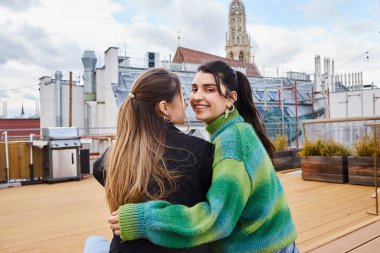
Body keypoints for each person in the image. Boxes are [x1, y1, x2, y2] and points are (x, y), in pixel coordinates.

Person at [109, 61, 299, 253]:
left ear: (230, 99)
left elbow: (217, 220)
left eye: (209, 89)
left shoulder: (234, 143)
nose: (197, 97)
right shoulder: (228, 133)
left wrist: (142, 219)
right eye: (193, 89)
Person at [83, 68, 214, 253]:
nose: (186, 104)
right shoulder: (201, 151)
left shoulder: (115, 155)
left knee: (93, 241)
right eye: (181, 97)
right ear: (164, 107)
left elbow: (98, 168)